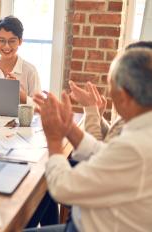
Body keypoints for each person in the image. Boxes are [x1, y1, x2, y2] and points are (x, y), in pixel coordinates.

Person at [32, 48, 152, 231]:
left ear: (125, 96)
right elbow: (107, 154)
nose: (109, 95)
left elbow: (63, 188)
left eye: (111, 87)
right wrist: (69, 128)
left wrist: (54, 139)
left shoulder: (136, 146)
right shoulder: (142, 128)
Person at [68, 41, 152, 144]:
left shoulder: (141, 123)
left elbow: (94, 154)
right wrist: (97, 117)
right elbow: (111, 141)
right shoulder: (137, 109)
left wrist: (90, 108)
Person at [0, 16, 41, 104]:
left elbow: (38, 107)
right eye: (2, 40)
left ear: (20, 41)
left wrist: (20, 94)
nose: (7, 46)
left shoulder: (30, 70)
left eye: (12, 41)